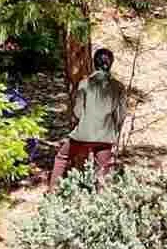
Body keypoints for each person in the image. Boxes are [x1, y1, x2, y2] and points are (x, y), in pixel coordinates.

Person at [49, 47, 126, 186]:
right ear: (111, 64)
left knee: (61, 158)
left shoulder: (84, 84)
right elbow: (121, 116)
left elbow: (77, 112)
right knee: (102, 170)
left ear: (94, 63)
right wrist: (113, 132)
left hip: (82, 135)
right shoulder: (118, 87)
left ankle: (52, 192)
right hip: (105, 136)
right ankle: (101, 198)